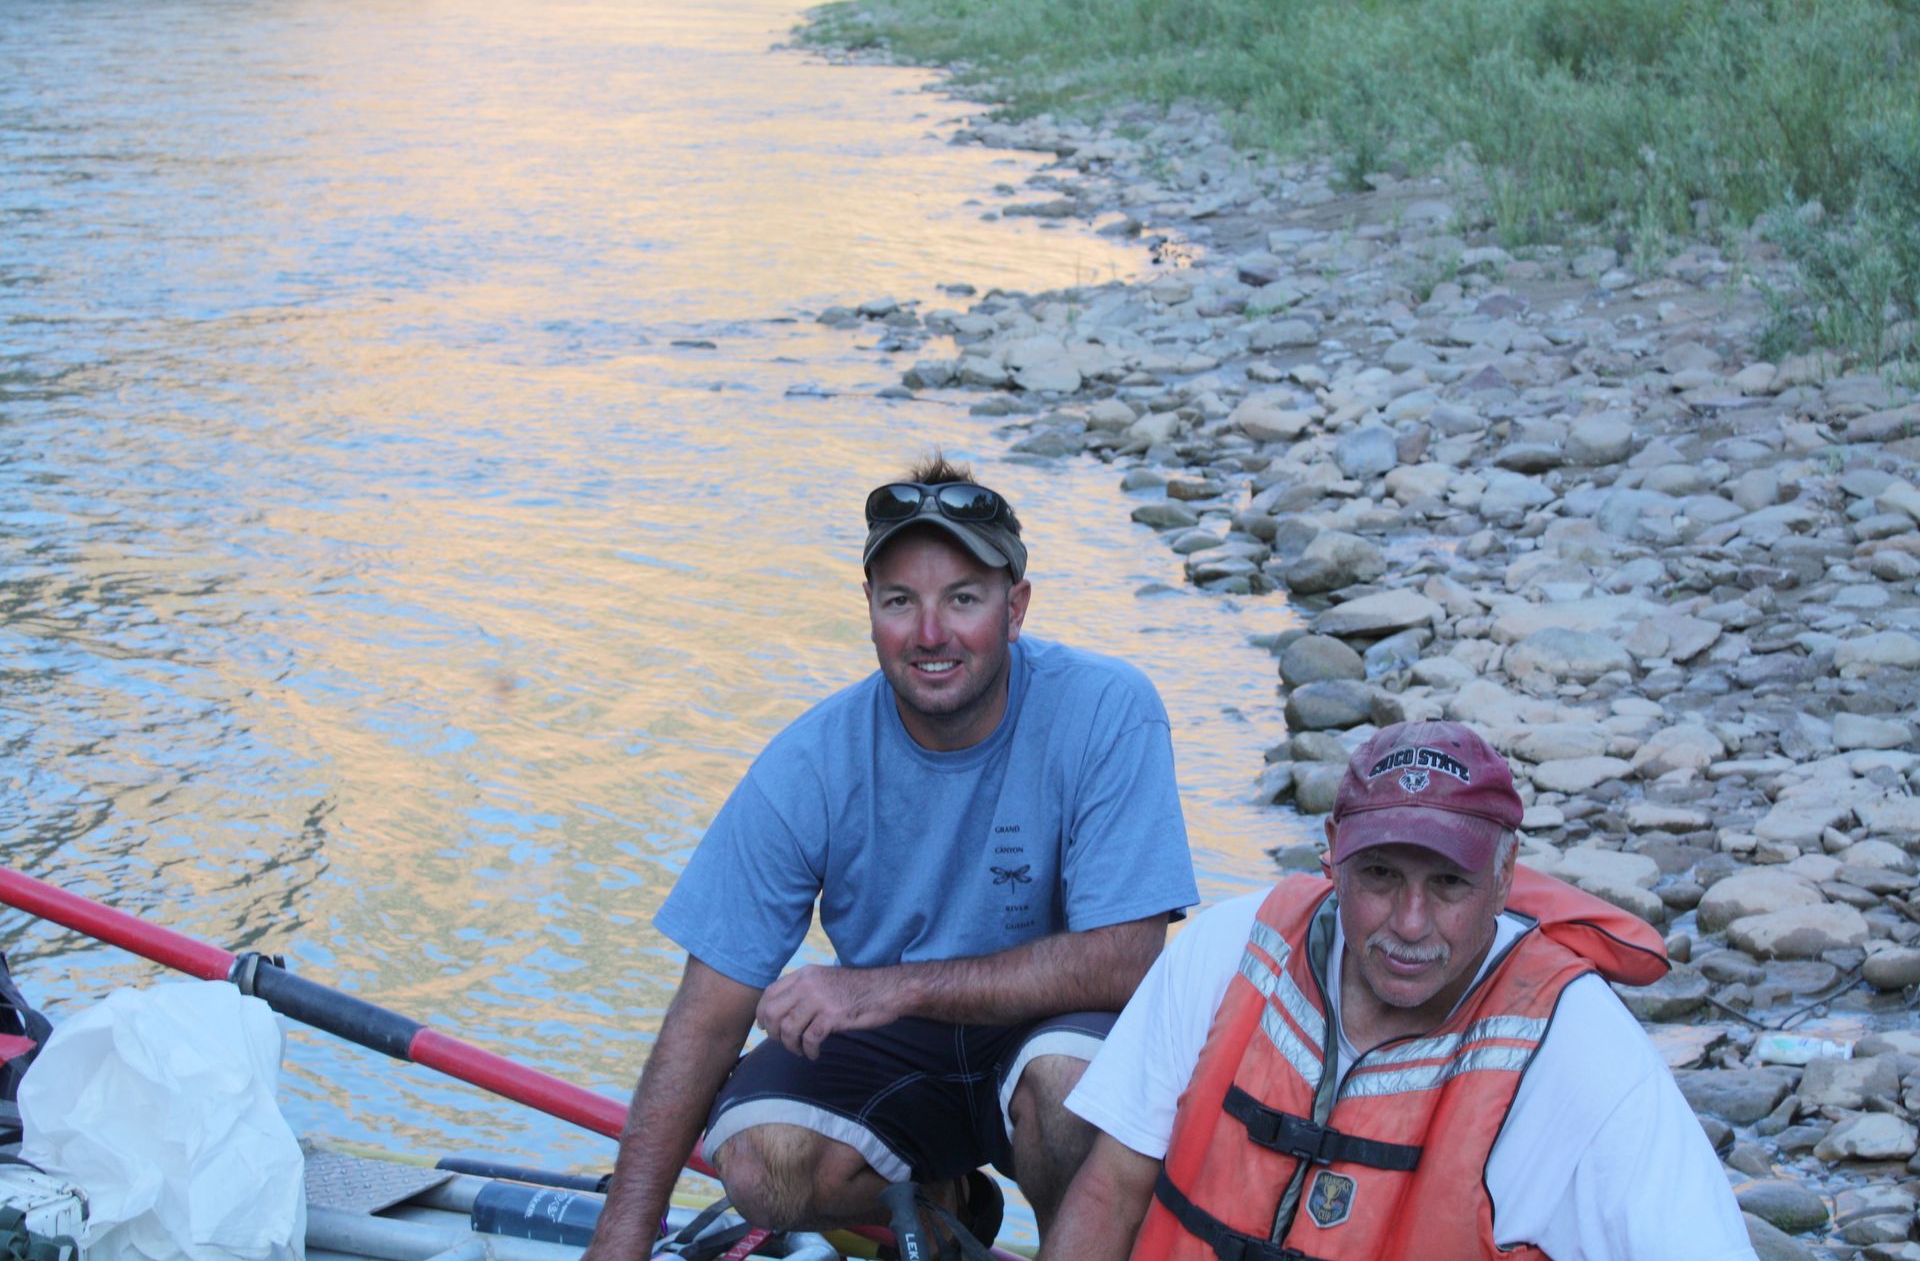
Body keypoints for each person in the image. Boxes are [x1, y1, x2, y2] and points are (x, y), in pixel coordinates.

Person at [583, 457, 1199, 1259]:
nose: (931, 634)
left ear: (1016, 609)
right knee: (758, 1162)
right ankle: (944, 1201)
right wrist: (622, 1235)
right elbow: (708, 1012)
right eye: (901, 601)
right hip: (900, 1048)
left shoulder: (1109, 709)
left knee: (1072, 1093)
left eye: (963, 600)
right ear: (869, 610)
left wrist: (887, 986)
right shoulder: (808, 761)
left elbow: (1128, 959)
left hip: (1054, 1031)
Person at [1044, 719, 1761, 1261]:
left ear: (1505, 876)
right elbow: (1113, 1187)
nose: (1410, 925)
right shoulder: (1230, 947)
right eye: (1381, 876)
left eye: (1449, 883)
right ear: (1333, 852)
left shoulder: (1580, 1050)